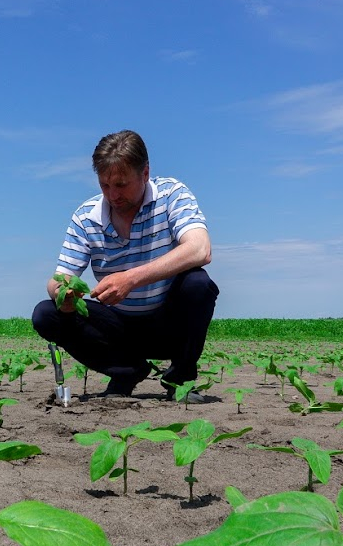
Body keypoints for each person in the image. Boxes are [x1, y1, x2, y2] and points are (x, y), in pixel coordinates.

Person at [31, 129, 220, 398]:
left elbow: (200, 249)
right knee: (46, 313)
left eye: (121, 184)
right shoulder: (86, 217)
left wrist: (131, 278)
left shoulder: (171, 195)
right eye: (104, 185)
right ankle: (126, 371)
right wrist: (63, 294)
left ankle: (180, 379)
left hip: (167, 323)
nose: (112, 195)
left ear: (145, 174)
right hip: (118, 326)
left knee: (198, 284)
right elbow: (59, 277)